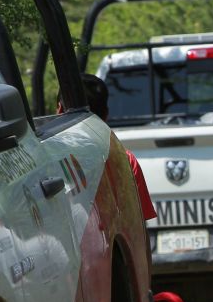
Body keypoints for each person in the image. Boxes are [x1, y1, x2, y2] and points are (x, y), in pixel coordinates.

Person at [58, 73, 156, 221]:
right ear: (106, 114)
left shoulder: (47, 162)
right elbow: (138, 230)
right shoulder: (125, 161)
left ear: (60, 110)